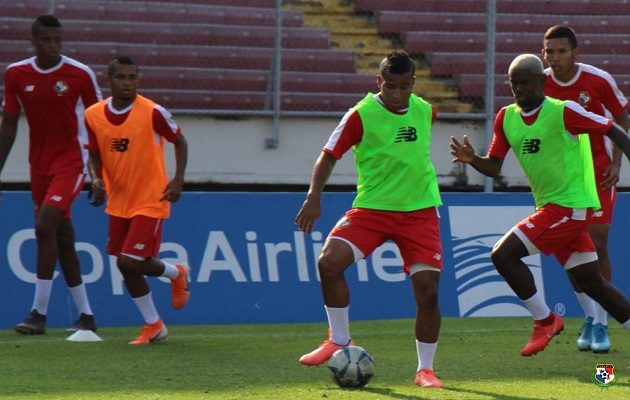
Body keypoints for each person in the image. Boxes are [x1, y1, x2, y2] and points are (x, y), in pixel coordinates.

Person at [450, 54, 630, 357]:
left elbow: (612, 128)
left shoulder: (564, 112)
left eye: (525, 82)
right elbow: (494, 167)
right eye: (513, 83)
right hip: (550, 207)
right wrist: (474, 161)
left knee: (503, 255)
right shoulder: (506, 117)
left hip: (568, 207)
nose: (518, 89)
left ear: (542, 82)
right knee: (593, 283)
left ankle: (545, 320)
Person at [295, 50, 445, 388]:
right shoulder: (360, 115)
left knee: (428, 291)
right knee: (329, 263)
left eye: (403, 86)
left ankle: (425, 370)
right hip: (373, 209)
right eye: (390, 86)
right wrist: (313, 196)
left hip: (420, 212)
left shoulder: (426, 111)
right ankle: (338, 339)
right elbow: (329, 154)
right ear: (379, 82)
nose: (396, 93)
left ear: (413, 84)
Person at [0, 15, 101, 334]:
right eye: (46, 40)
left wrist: (99, 174)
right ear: (33, 41)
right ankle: (86, 315)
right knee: (62, 237)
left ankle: (38, 313)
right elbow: (10, 124)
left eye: (58, 40)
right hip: (39, 164)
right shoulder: (16, 74)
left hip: (71, 161)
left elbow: (100, 124)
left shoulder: (79, 74)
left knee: (44, 227)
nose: (53, 46)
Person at [84, 56, 189, 345]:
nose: (127, 83)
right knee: (123, 264)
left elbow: (180, 141)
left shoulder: (152, 112)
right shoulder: (93, 114)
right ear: (110, 80)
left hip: (151, 198)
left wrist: (178, 180)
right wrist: (97, 178)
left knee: (130, 262)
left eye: (132, 78)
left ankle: (175, 273)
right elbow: (94, 150)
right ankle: (154, 324)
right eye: (121, 77)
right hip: (119, 200)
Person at [542, 25, 630, 353]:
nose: (555, 57)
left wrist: (617, 163)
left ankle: (603, 324)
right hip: (560, 179)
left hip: (597, 171)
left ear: (575, 53)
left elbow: (622, 119)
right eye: (549, 52)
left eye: (561, 51)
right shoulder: (541, 83)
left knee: (598, 242)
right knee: (571, 247)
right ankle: (590, 316)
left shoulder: (597, 80)